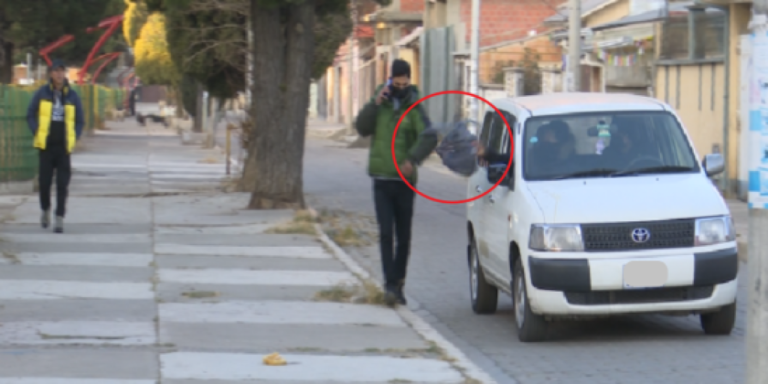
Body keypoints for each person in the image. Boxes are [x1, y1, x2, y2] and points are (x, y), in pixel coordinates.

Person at [354, 59, 438, 306]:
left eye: (404, 82)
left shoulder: (415, 106)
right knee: (385, 233)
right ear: (390, 80)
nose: (400, 86)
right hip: (381, 178)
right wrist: (375, 102)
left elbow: (429, 136)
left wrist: (412, 158)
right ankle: (389, 285)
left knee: (403, 235)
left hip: (404, 182)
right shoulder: (380, 103)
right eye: (396, 82)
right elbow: (361, 128)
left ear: (409, 81)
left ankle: (399, 283)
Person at [26, 59, 84, 233]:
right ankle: (45, 209)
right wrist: (36, 131)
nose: (59, 74)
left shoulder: (72, 96)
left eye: (62, 71)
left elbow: (80, 120)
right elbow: (30, 113)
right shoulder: (42, 93)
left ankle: (59, 217)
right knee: (44, 183)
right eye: (56, 71)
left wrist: (75, 137)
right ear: (51, 74)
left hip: (63, 147)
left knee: (62, 184)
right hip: (46, 146)